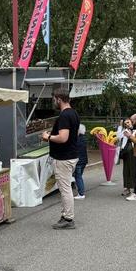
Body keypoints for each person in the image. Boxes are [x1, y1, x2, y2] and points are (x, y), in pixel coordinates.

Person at [42, 90, 80, 229]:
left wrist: (48, 137)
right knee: (66, 187)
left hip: (64, 157)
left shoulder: (65, 116)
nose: (53, 102)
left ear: (59, 99)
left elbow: (63, 137)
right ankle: (65, 215)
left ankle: (68, 219)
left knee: (65, 189)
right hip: (71, 155)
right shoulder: (74, 113)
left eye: (54, 99)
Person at [118, 118, 135, 197]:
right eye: (125, 123)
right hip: (126, 152)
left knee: (132, 170)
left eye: (128, 122)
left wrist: (130, 134)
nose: (127, 124)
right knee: (126, 170)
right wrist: (120, 126)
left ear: (131, 122)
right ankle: (126, 188)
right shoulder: (124, 130)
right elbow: (119, 136)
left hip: (134, 152)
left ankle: (133, 188)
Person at [72, 124, 88, 199]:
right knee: (79, 176)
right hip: (84, 160)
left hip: (78, 161)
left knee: (78, 177)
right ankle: (80, 191)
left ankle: (81, 193)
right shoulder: (84, 138)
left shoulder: (76, 139)